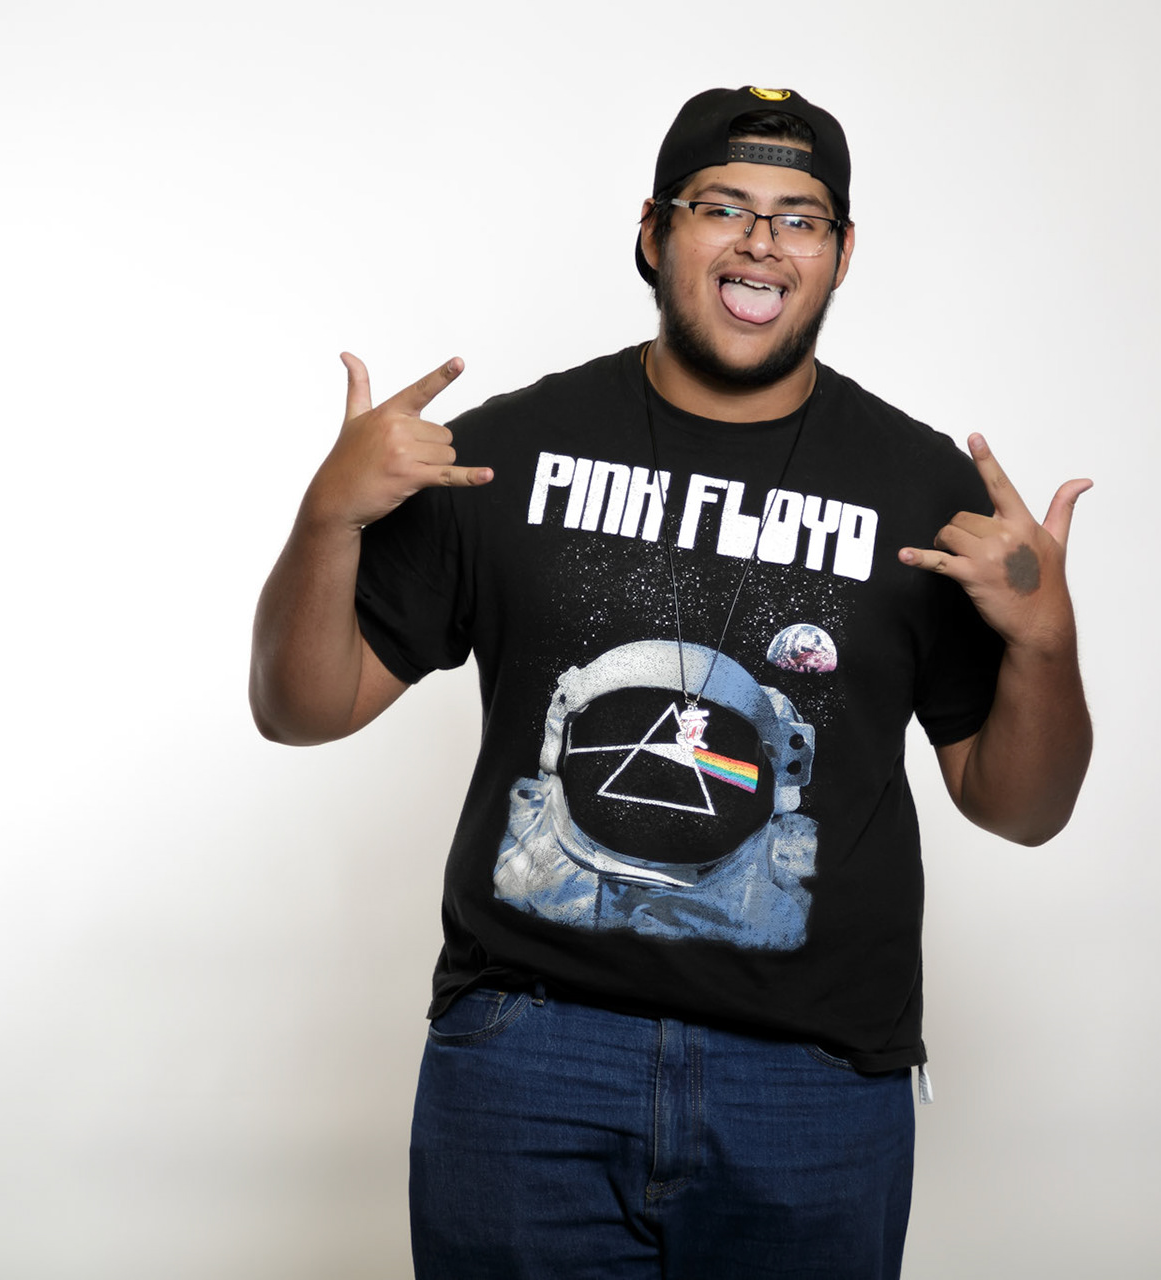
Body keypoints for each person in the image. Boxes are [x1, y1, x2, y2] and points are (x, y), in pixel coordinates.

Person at [250, 85, 1093, 1280]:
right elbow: (300, 707)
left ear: (842, 252)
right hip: (532, 1059)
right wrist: (328, 517)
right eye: (723, 206)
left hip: (810, 1081)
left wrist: (1046, 642)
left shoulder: (924, 495)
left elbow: (1022, 808)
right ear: (653, 232)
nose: (762, 242)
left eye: (799, 217)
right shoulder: (508, 453)